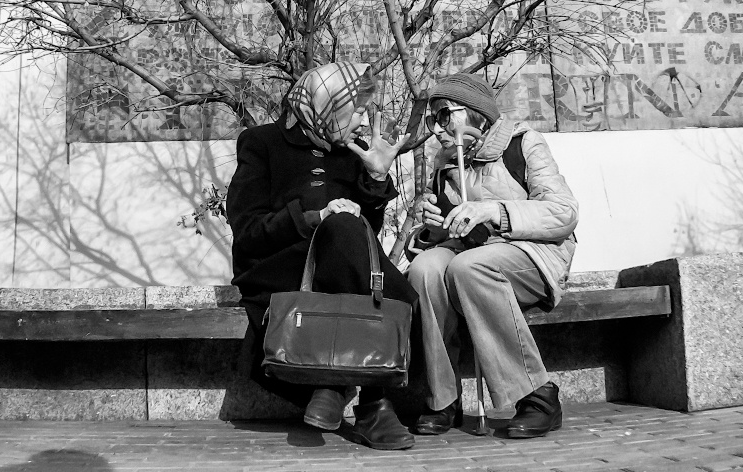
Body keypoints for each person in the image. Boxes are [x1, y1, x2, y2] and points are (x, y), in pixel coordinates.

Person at [226, 62, 418, 450]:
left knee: (392, 281)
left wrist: (376, 178)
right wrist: (315, 217)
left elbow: (364, 237)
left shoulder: (350, 153)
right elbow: (247, 231)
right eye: (356, 110)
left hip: (342, 269)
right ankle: (372, 404)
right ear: (329, 106)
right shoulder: (262, 143)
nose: (362, 120)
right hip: (281, 270)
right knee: (352, 243)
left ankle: (332, 387)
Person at [406, 73, 578, 439]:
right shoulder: (446, 163)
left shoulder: (523, 143)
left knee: (469, 267)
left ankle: (538, 396)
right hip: (474, 257)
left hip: (533, 256)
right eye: (431, 119)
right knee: (424, 269)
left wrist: (493, 211)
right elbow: (451, 235)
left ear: (475, 113)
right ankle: (443, 398)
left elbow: (564, 213)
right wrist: (432, 228)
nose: (436, 128)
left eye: (444, 115)